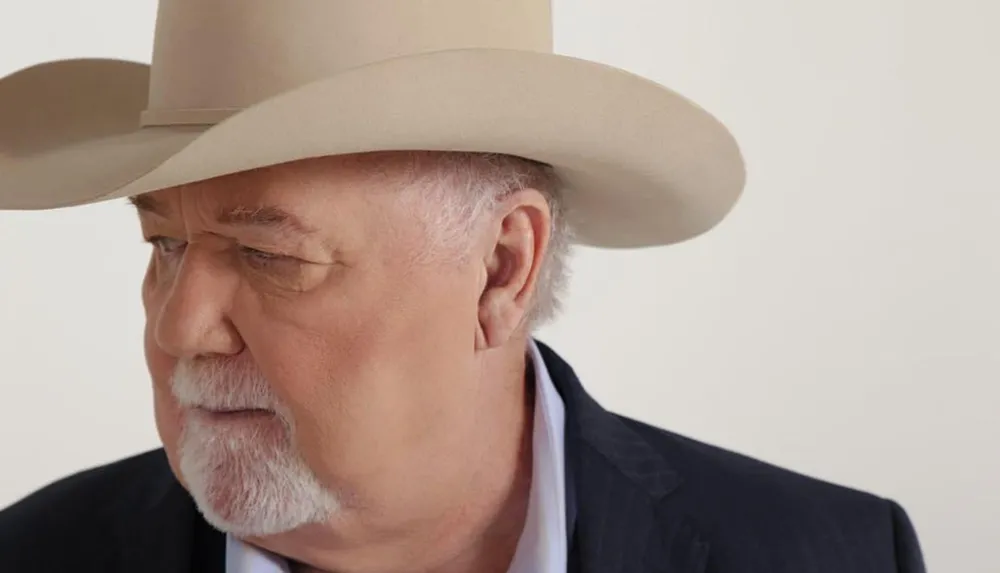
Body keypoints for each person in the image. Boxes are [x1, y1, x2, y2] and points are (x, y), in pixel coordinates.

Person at [0, 1, 925, 572]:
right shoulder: (33, 554)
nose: (181, 324)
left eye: (269, 254)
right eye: (164, 244)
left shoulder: (827, 555)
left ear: (501, 268)